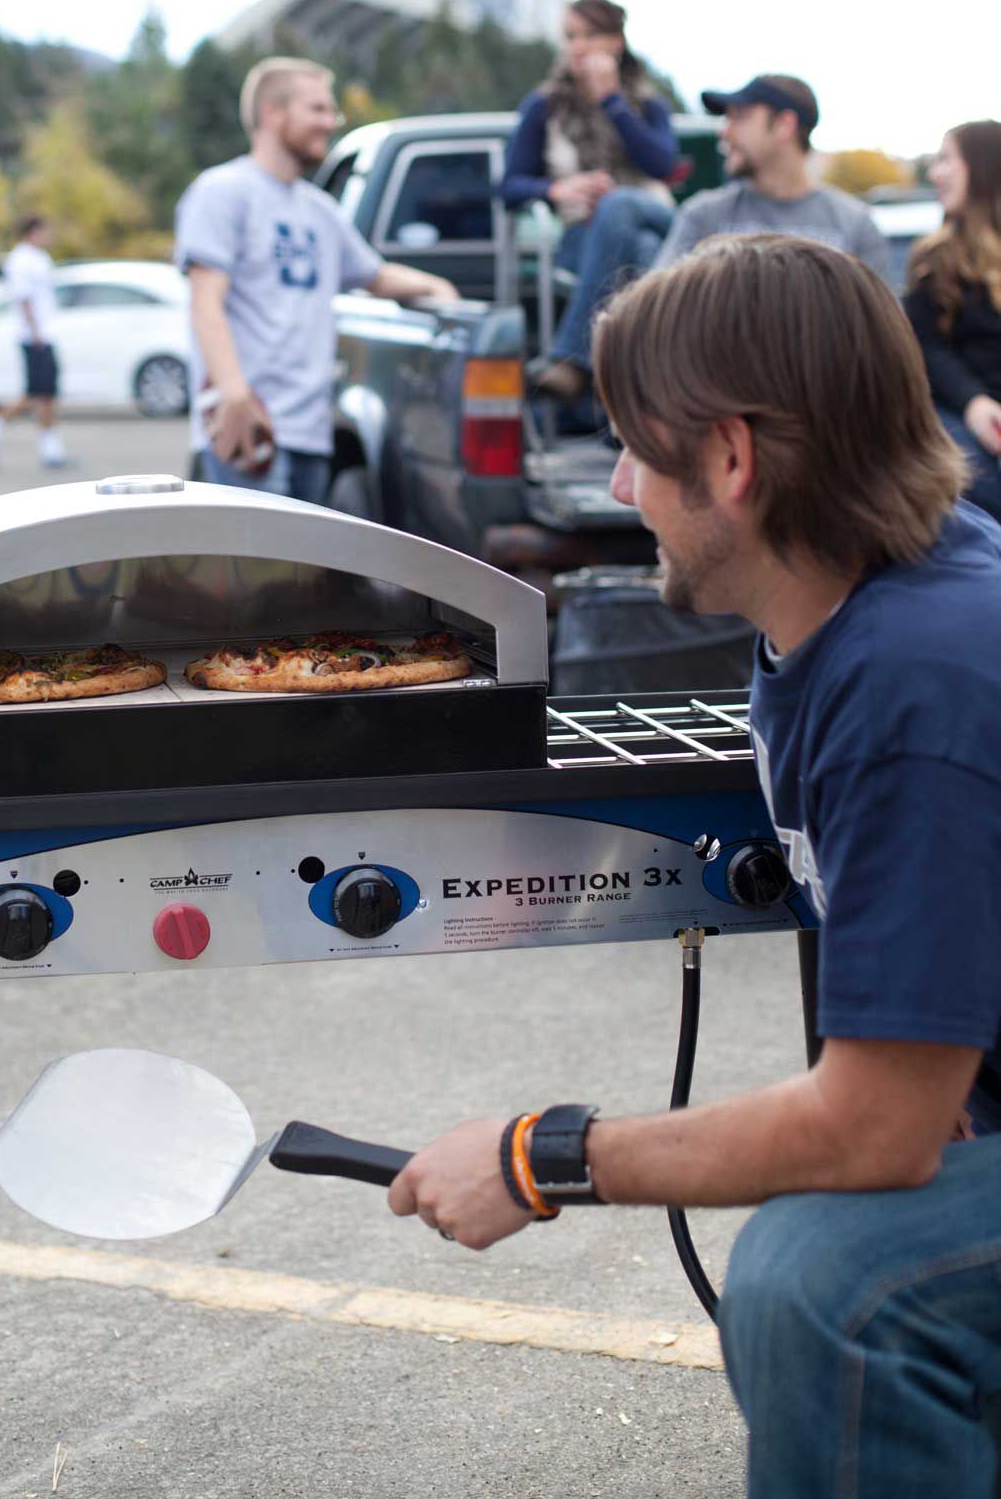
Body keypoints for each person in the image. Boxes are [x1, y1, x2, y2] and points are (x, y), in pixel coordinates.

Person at [387, 234, 1001, 1499]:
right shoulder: (879, 602)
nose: (618, 481)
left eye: (632, 444)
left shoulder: (914, 680)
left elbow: (873, 1128)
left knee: (821, 1283)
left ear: (729, 457)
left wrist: (538, 1154)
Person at [175, 57, 458, 502]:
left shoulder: (320, 210)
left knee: (302, 573)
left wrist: (436, 288)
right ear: (273, 113)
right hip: (252, 430)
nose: (330, 122)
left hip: (312, 432)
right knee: (255, 571)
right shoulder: (223, 191)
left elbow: (376, 275)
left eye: (332, 112)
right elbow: (205, 303)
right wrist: (234, 396)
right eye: (318, 109)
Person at [501, 0, 680, 408]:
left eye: (590, 36)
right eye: (570, 36)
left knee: (619, 207)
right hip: (583, 236)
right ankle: (634, 404)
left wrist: (612, 102)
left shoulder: (645, 102)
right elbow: (508, 186)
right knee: (644, 255)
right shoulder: (545, 107)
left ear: (616, 43)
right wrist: (557, 190)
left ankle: (572, 360)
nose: (577, 47)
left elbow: (663, 162)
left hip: (653, 214)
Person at [656, 74, 894, 282]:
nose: (725, 131)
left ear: (784, 125)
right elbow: (657, 311)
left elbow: (882, 327)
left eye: (740, 116)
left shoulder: (854, 224)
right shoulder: (702, 216)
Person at [905, 121, 1001, 524]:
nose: (934, 172)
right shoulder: (933, 259)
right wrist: (975, 402)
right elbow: (924, 347)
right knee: (972, 480)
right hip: (960, 413)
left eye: (946, 159)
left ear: (981, 167)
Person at [0, 217, 71, 471]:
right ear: (33, 232)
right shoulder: (21, 260)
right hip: (33, 336)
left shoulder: (41, 258)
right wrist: (35, 331)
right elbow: (24, 298)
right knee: (34, 393)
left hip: (47, 333)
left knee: (47, 393)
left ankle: (50, 447)